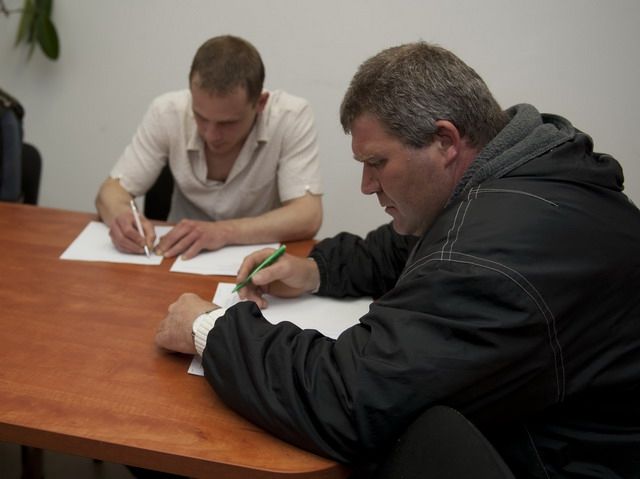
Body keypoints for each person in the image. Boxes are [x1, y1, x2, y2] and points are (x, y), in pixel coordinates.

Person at [155, 42, 640, 478]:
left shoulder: (493, 257)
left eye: (377, 163)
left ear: (445, 141)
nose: (367, 186)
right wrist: (316, 271)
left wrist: (210, 329)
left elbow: (347, 399)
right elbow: (408, 246)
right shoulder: (522, 176)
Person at [96, 35, 322, 260]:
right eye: (201, 117)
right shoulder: (167, 113)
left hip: (257, 260)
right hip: (175, 254)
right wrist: (122, 217)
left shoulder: (290, 117)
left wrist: (223, 232)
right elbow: (110, 192)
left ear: (260, 103)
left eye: (228, 123)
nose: (211, 135)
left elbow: (308, 216)